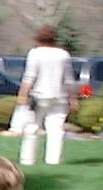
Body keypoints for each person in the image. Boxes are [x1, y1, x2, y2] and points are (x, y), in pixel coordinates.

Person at [16, 26, 75, 165]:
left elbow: (29, 77)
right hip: (60, 97)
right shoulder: (63, 54)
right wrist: (73, 98)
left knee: (32, 127)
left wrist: (22, 95)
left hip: (39, 96)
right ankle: (53, 160)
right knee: (56, 129)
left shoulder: (35, 53)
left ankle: (27, 159)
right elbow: (69, 79)